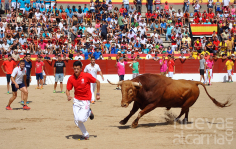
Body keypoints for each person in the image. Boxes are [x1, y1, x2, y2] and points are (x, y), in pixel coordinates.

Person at [66, 61, 100, 140]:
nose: (76, 70)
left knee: (81, 119)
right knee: (76, 120)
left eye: (78, 69)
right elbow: (68, 90)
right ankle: (86, 134)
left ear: (81, 68)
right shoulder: (71, 78)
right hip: (76, 101)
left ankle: (89, 112)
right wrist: (68, 96)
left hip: (85, 101)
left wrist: (98, 93)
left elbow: (97, 82)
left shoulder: (87, 76)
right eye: (75, 69)